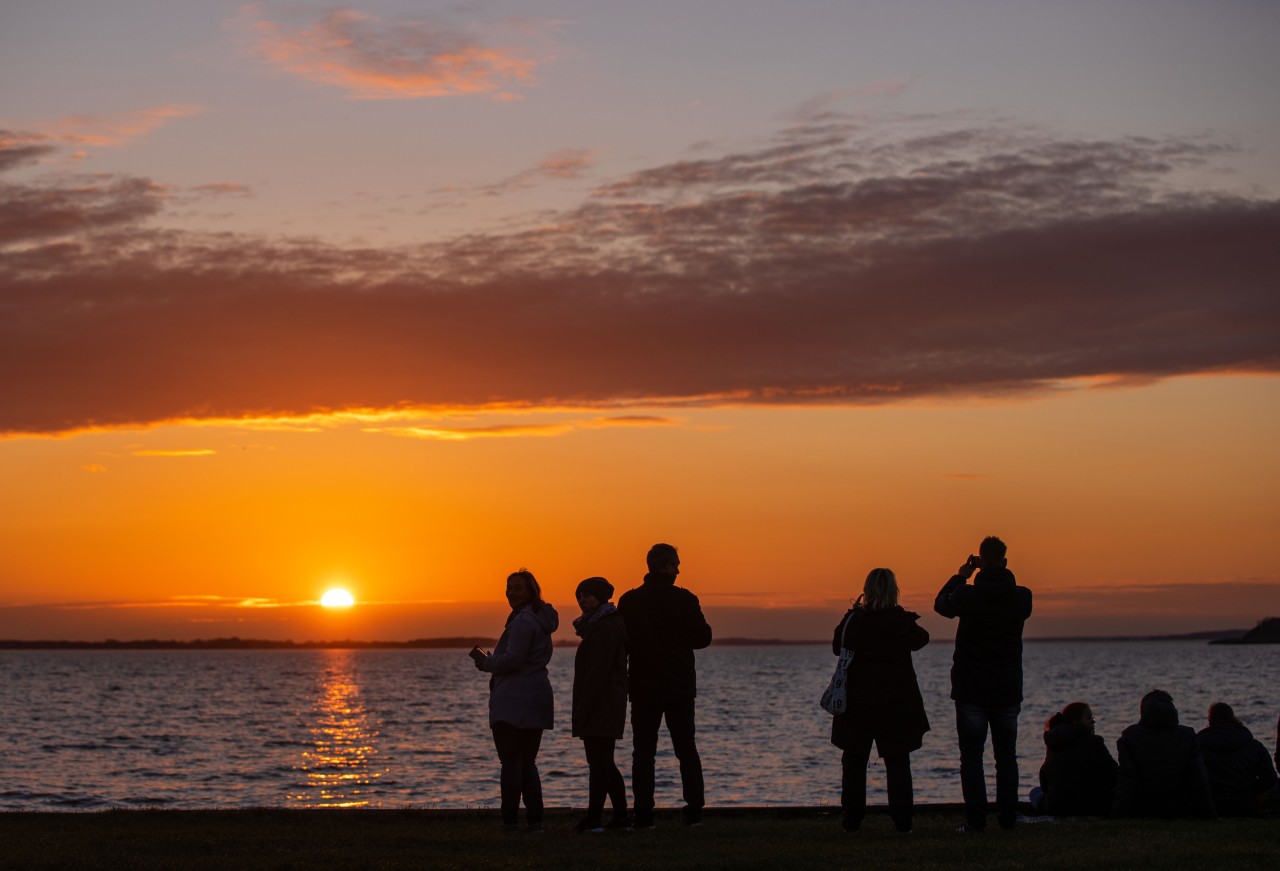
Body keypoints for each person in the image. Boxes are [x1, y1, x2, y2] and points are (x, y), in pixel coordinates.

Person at [933, 535, 1033, 832]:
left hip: (971, 688)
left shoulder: (966, 595)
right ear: (1005, 561)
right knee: (1007, 759)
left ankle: (976, 822)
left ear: (980, 561)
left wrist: (961, 576)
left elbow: (941, 605)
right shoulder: (1022, 597)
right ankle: (1008, 819)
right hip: (1006, 689)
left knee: (972, 760)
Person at [617, 543, 713, 828]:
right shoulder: (685, 599)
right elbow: (703, 637)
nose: (679, 569)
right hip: (679, 685)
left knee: (643, 752)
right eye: (677, 564)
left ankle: (644, 814)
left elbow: (624, 642)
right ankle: (694, 811)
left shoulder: (630, 601)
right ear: (667, 566)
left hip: (644, 685)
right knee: (686, 748)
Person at [830, 568, 930, 833]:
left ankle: (852, 821)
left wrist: (852, 611)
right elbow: (922, 639)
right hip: (897, 703)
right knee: (898, 763)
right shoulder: (900, 622)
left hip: (857, 703)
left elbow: (836, 645)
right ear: (894, 591)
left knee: (853, 763)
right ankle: (903, 823)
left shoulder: (854, 620)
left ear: (867, 589)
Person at [472, 569, 559, 832]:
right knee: (527, 762)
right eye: (509, 587)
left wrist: (487, 662)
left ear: (531, 591)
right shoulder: (539, 620)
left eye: (518, 588)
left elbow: (513, 659)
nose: (511, 593)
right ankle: (535, 821)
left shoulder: (523, 622)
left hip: (513, 700)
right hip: (536, 697)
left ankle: (510, 821)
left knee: (511, 762)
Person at [571, 576, 631, 832]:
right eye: (579, 596)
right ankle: (620, 817)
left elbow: (598, 672)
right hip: (603, 701)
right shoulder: (599, 625)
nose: (582, 600)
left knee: (599, 762)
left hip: (602, 703)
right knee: (603, 762)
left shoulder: (606, 627)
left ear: (600, 597)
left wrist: (584, 708)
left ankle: (595, 818)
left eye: (587, 595)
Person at [1112, 689, 1214, 819]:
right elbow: (1199, 778)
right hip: (1180, 810)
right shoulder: (1187, 735)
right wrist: (1210, 815)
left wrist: (1117, 815)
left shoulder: (1130, 736)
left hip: (1142, 810)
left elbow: (1126, 780)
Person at [1030, 702, 1117, 816]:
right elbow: (1113, 773)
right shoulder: (1094, 743)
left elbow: (1045, 777)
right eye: (1089, 718)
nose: (1093, 722)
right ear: (1076, 721)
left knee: (1035, 792)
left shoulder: (1054, 741)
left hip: (1057, 806)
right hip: (1092, 805)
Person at [1196, 702, 1278, 817]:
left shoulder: (1199, 746)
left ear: (1210, 720)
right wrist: (1251, 790)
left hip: (1210, 805)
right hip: (1246, 805)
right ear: (1232, 717)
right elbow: (1270, 779)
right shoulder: (1254, 746)